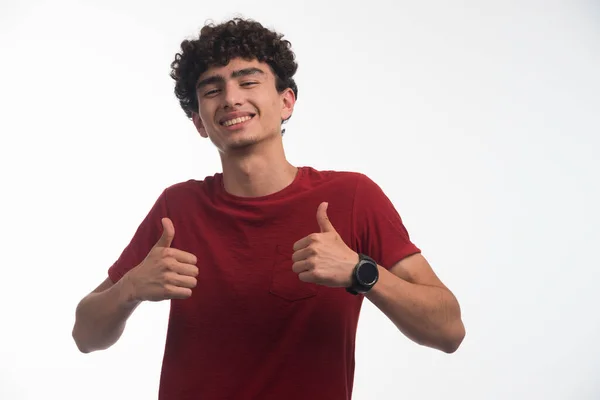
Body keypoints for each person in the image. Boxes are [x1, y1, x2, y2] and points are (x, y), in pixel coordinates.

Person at [72, 17, 465, 400]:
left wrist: (362, 272)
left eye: (248, 81)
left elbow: (449, 330)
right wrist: (129, 289)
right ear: (199, 123)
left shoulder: (352, 196)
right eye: (212, 90)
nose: (230, 98)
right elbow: (85, 336)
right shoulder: (178, 207)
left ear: (286, 102)